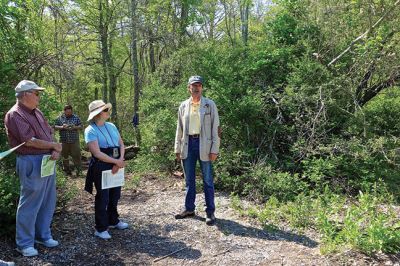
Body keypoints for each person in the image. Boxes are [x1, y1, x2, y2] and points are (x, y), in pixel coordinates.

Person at [4, 80, 62, 257]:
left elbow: (48, 132)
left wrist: (54, 150)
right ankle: (25, 243)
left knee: (48, 200)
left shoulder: (37, 112)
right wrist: (54, 145)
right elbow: (28, 140)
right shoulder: (14, 114)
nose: (39, 96)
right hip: (30, 161)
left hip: (46, 160)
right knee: (30, 202)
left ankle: (42, 235)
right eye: (36, 93)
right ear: (26, 95)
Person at [174, 75, 220, 226]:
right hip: (188, 144)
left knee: (207, 180)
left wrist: (215, 149)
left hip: (204, 145)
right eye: (193, 85)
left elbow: (216, 128)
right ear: (189, 88)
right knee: (189, 180)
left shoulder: (209, 104)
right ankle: (189, 209)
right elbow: (179, 129)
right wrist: (177, 148)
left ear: (202, 87)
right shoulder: (183, 106)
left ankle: (210, 212)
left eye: (199, 85)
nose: (196, 88)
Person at [84, 100, 128, 239]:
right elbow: (97, 153)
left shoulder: (112, 126)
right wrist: (116, 161)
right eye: (104, 110)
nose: (108, 112)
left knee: (115, 194)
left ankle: (113, 221)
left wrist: (120, 160)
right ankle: (101, 228)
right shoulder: (90, 130)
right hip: (101, 165)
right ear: (97, 114)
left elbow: (121, 143)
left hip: (117, 162)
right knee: (103, 197)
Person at [54, 104, 82, 176]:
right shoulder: (60, 118)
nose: (69, 113)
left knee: (76, 155)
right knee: (64, 156)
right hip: (63, 141)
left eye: (70, 112)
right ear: (64, 111)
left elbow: (81, 126)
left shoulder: (76, 117)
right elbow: (55, 127)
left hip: (74, 141)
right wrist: (62, 127)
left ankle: (78, 171)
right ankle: (67, 171)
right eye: (68, 112)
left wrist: (74, 127)